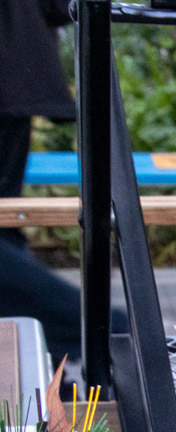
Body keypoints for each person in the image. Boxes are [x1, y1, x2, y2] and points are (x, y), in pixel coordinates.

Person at [0, 0, 93, 371]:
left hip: (11, 82)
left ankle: (80, 325)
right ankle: (39, 364)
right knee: (3, 230)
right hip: (15, 81)